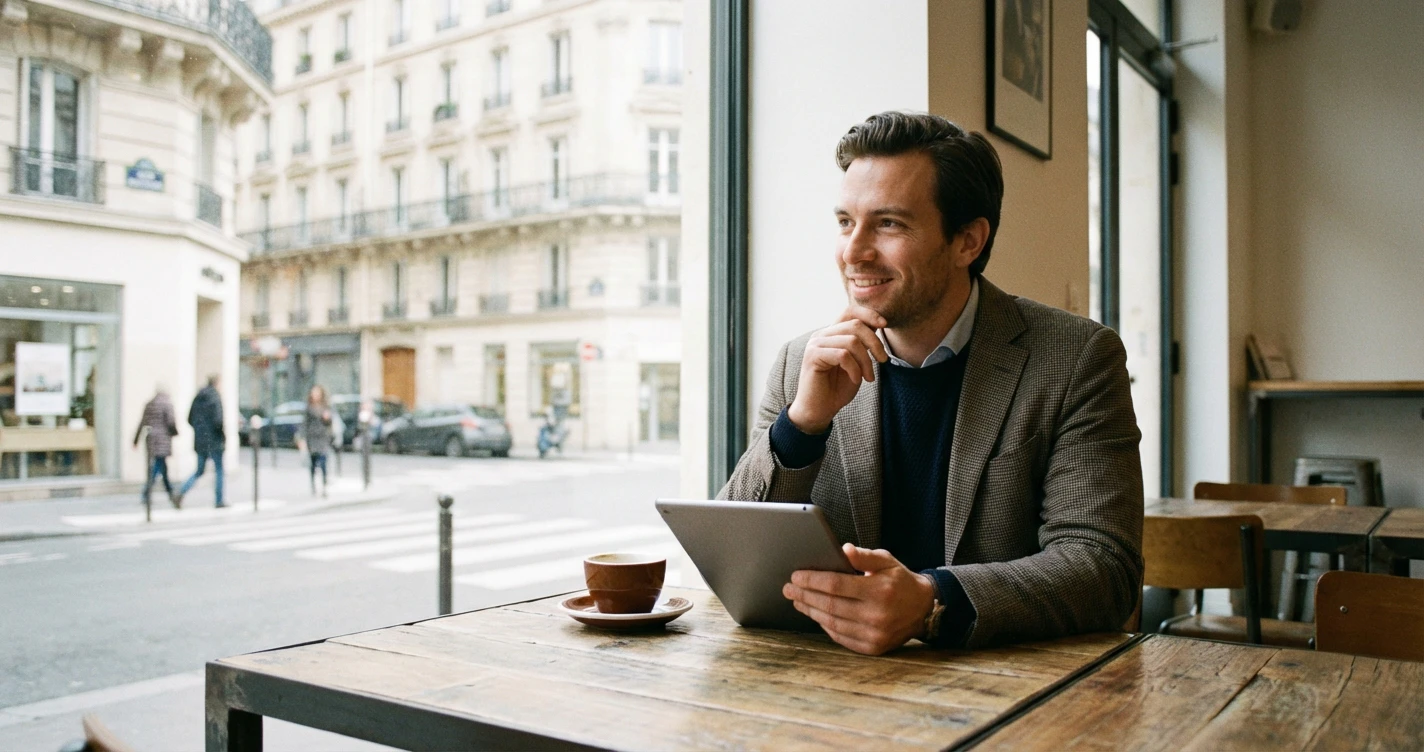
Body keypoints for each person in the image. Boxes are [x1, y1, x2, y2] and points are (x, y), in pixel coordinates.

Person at [719, 111, 1143, 654]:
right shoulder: (802, 363)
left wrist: (931, 602)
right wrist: (801, 425)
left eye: (889, 224)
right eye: (846, 221)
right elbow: (734, 561)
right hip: (831, 690)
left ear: (967, 241)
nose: (854, 251)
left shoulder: (1077, 358)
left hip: (1009, 693)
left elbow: (1103, 565)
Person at [176, 375, 225, 508]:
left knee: (199, 470)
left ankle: (181, 491)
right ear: (217, 384)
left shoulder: (198, 397)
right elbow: (218, 421)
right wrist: (221, 435)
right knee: (219, 470)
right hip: (214, 440)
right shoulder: (215, 397)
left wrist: (200, 430)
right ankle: (219, 500)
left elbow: (189, 418)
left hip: (200, 440)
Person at [133, 385, 180, 509]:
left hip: (151, 440)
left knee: (161, 467)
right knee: (158, 468)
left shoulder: (150, 404)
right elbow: (171, 422)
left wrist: (136, 440)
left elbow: (142, 422)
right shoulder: (167, 404)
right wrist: (175, 433)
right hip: (163, 440)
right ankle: (151, 493)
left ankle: (169, 492)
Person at [296, 385, 334, 497]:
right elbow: (304, 423)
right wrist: (301, 438)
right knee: (313, 463)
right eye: (314, 392)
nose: (315, 395)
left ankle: (324, 486)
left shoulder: (325, 406)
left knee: (323, 462)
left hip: (322, 437)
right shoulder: (309, 407)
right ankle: (313, 485)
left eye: (317, 392)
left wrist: (327, 419)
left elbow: (329, 423)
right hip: (312, 438)